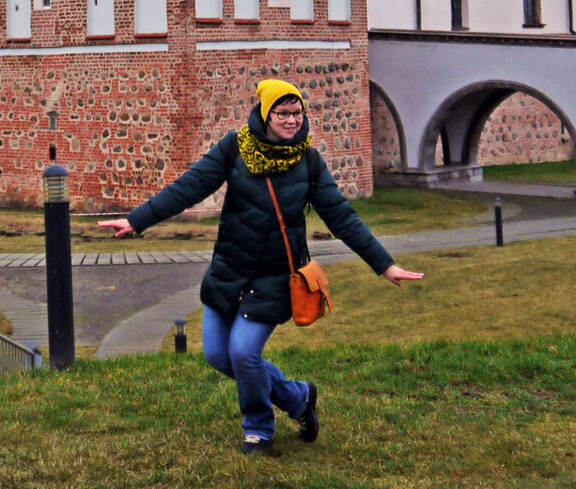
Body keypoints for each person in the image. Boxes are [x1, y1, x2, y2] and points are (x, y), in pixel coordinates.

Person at [99, 78, 423, 455]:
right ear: (266, 114)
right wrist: (137, 220)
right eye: (283, 113)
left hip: (275, 278)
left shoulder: (309, 162)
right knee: (217, 355)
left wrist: (385, 265)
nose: (291, 120)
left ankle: (257, 428)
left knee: (244, 353)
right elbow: (189, 187)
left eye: (297, 113)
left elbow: (342, 217)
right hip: (229, 270)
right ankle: (298, 398)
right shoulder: (235, 149)